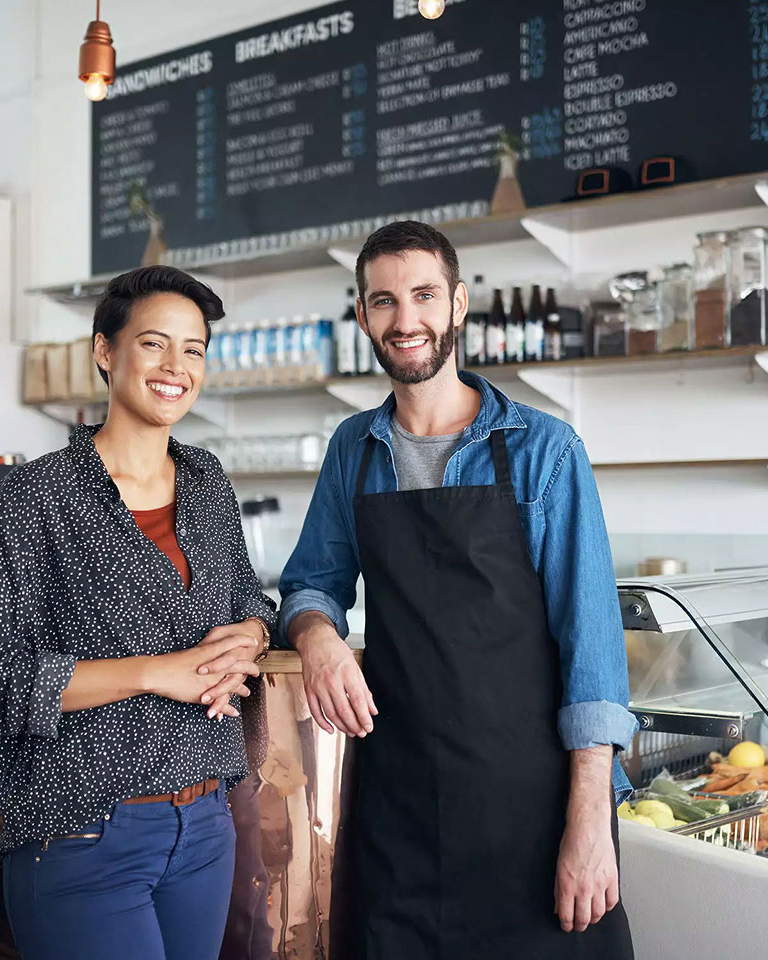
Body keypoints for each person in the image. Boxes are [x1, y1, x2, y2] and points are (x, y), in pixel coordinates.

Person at [279, 221, 638, 958]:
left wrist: (589, 821)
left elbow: (593, 649)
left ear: (459, 303)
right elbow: (312, 583)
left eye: (423, 295)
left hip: (531, 815)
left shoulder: (544, 449)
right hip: (400, 813)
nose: (405, 320)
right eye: (384, 301)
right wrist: (317, 639)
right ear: (363, 316)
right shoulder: (354, 449)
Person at [0, 265, 276, 960]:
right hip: (85, 833)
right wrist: (156, 671)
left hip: (206, 825)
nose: (176, 367)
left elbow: (249, 596)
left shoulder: (208, 482)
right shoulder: (34, 498)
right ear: (105, 350)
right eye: (154, 343)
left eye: (193, 350)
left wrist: (250, 633)